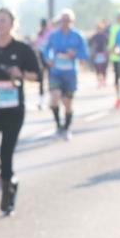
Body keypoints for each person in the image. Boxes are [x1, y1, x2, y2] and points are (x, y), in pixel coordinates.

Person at [0, 8, 42, 215]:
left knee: (6, 154)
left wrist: (20, 73)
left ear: (13, 24)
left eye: (4, 21)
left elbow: (36, 75)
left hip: (13, 111)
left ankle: (8, 197)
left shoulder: (22, 49)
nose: (0, 24)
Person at [45, 9, 89, 141]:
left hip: (70, 74)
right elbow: (46, 49)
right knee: (55, 98)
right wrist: (49, 58)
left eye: (68, 20)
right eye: (63, 20)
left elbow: (84, 55)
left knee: (67, 103)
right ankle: (58, 125)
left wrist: (74, 54)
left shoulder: (78, 36)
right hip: (56, 72)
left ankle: (67, 128)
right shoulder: (54, 35)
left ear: (72, 21)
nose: (65, 23)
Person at [108, 12, 120, 107]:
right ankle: (118, 98)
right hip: (115, 57)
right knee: (116, 79)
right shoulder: (113, 28)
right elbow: (111, 41)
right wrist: (110, 51)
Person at [89, 20, 111, 87]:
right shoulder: (94, 36)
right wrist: (93, 52)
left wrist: (107, 52)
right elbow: (89, 43)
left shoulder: (105, 36)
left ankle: (104, 81)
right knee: (97, 69)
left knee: (104, 68)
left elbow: (109, 44)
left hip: (104, 54)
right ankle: (99, 81)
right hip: (96, 55)